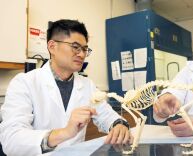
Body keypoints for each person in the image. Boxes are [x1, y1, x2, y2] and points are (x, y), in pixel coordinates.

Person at [0, 19, 132, 156]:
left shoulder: (87, 85)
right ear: (52, 47)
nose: (82, 54)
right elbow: (11, 139)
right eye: (75, 47)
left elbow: (106, 115)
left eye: (85, 49)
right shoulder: (24, 83)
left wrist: (118, 125)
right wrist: (65, 132)